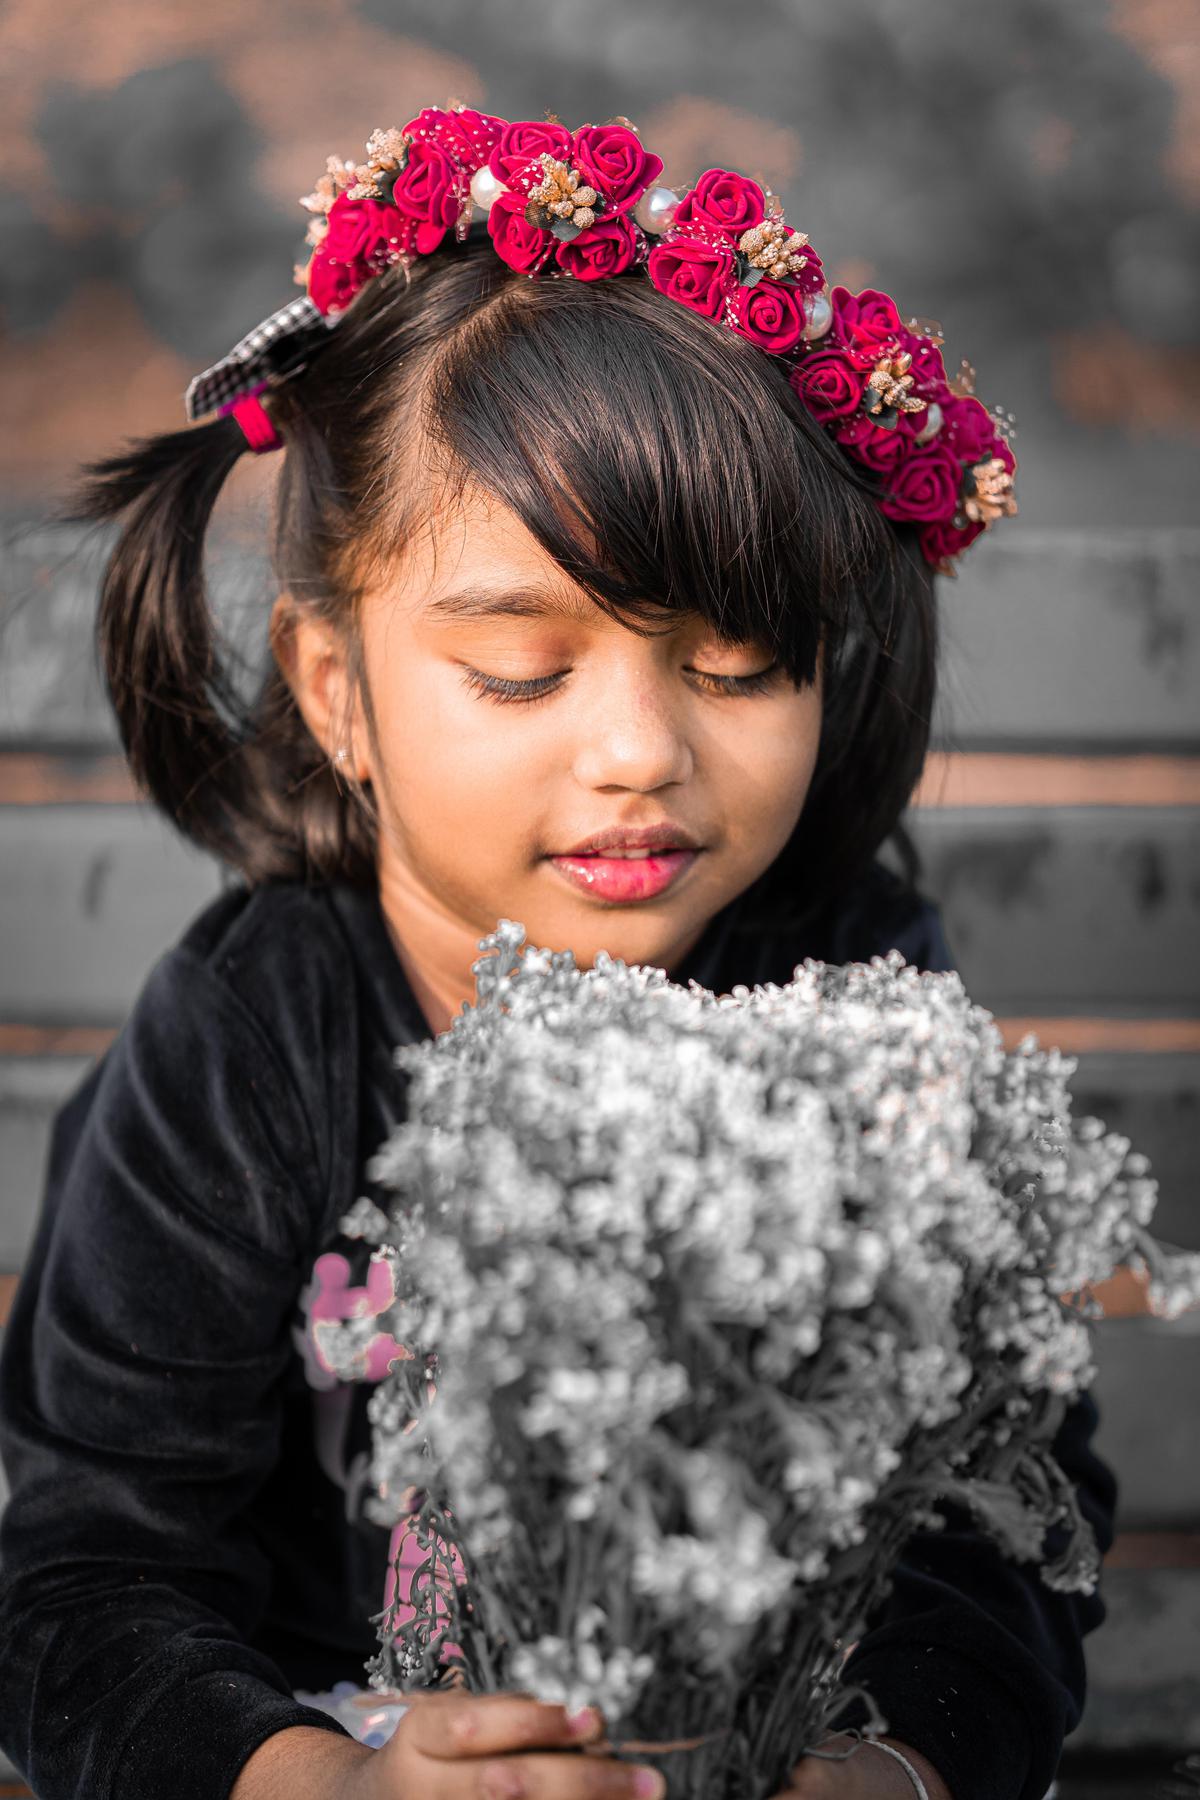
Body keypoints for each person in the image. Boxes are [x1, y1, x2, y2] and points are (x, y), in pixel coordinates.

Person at [0, 103, 1114, 1800]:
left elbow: (996, 1505)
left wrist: (882, 1771)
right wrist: (323, 1785)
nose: (639, 753)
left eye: (736, 665)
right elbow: (89, 1573)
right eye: (523, 671)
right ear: (335, 694)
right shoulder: (251, 1045)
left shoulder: (850, 995)